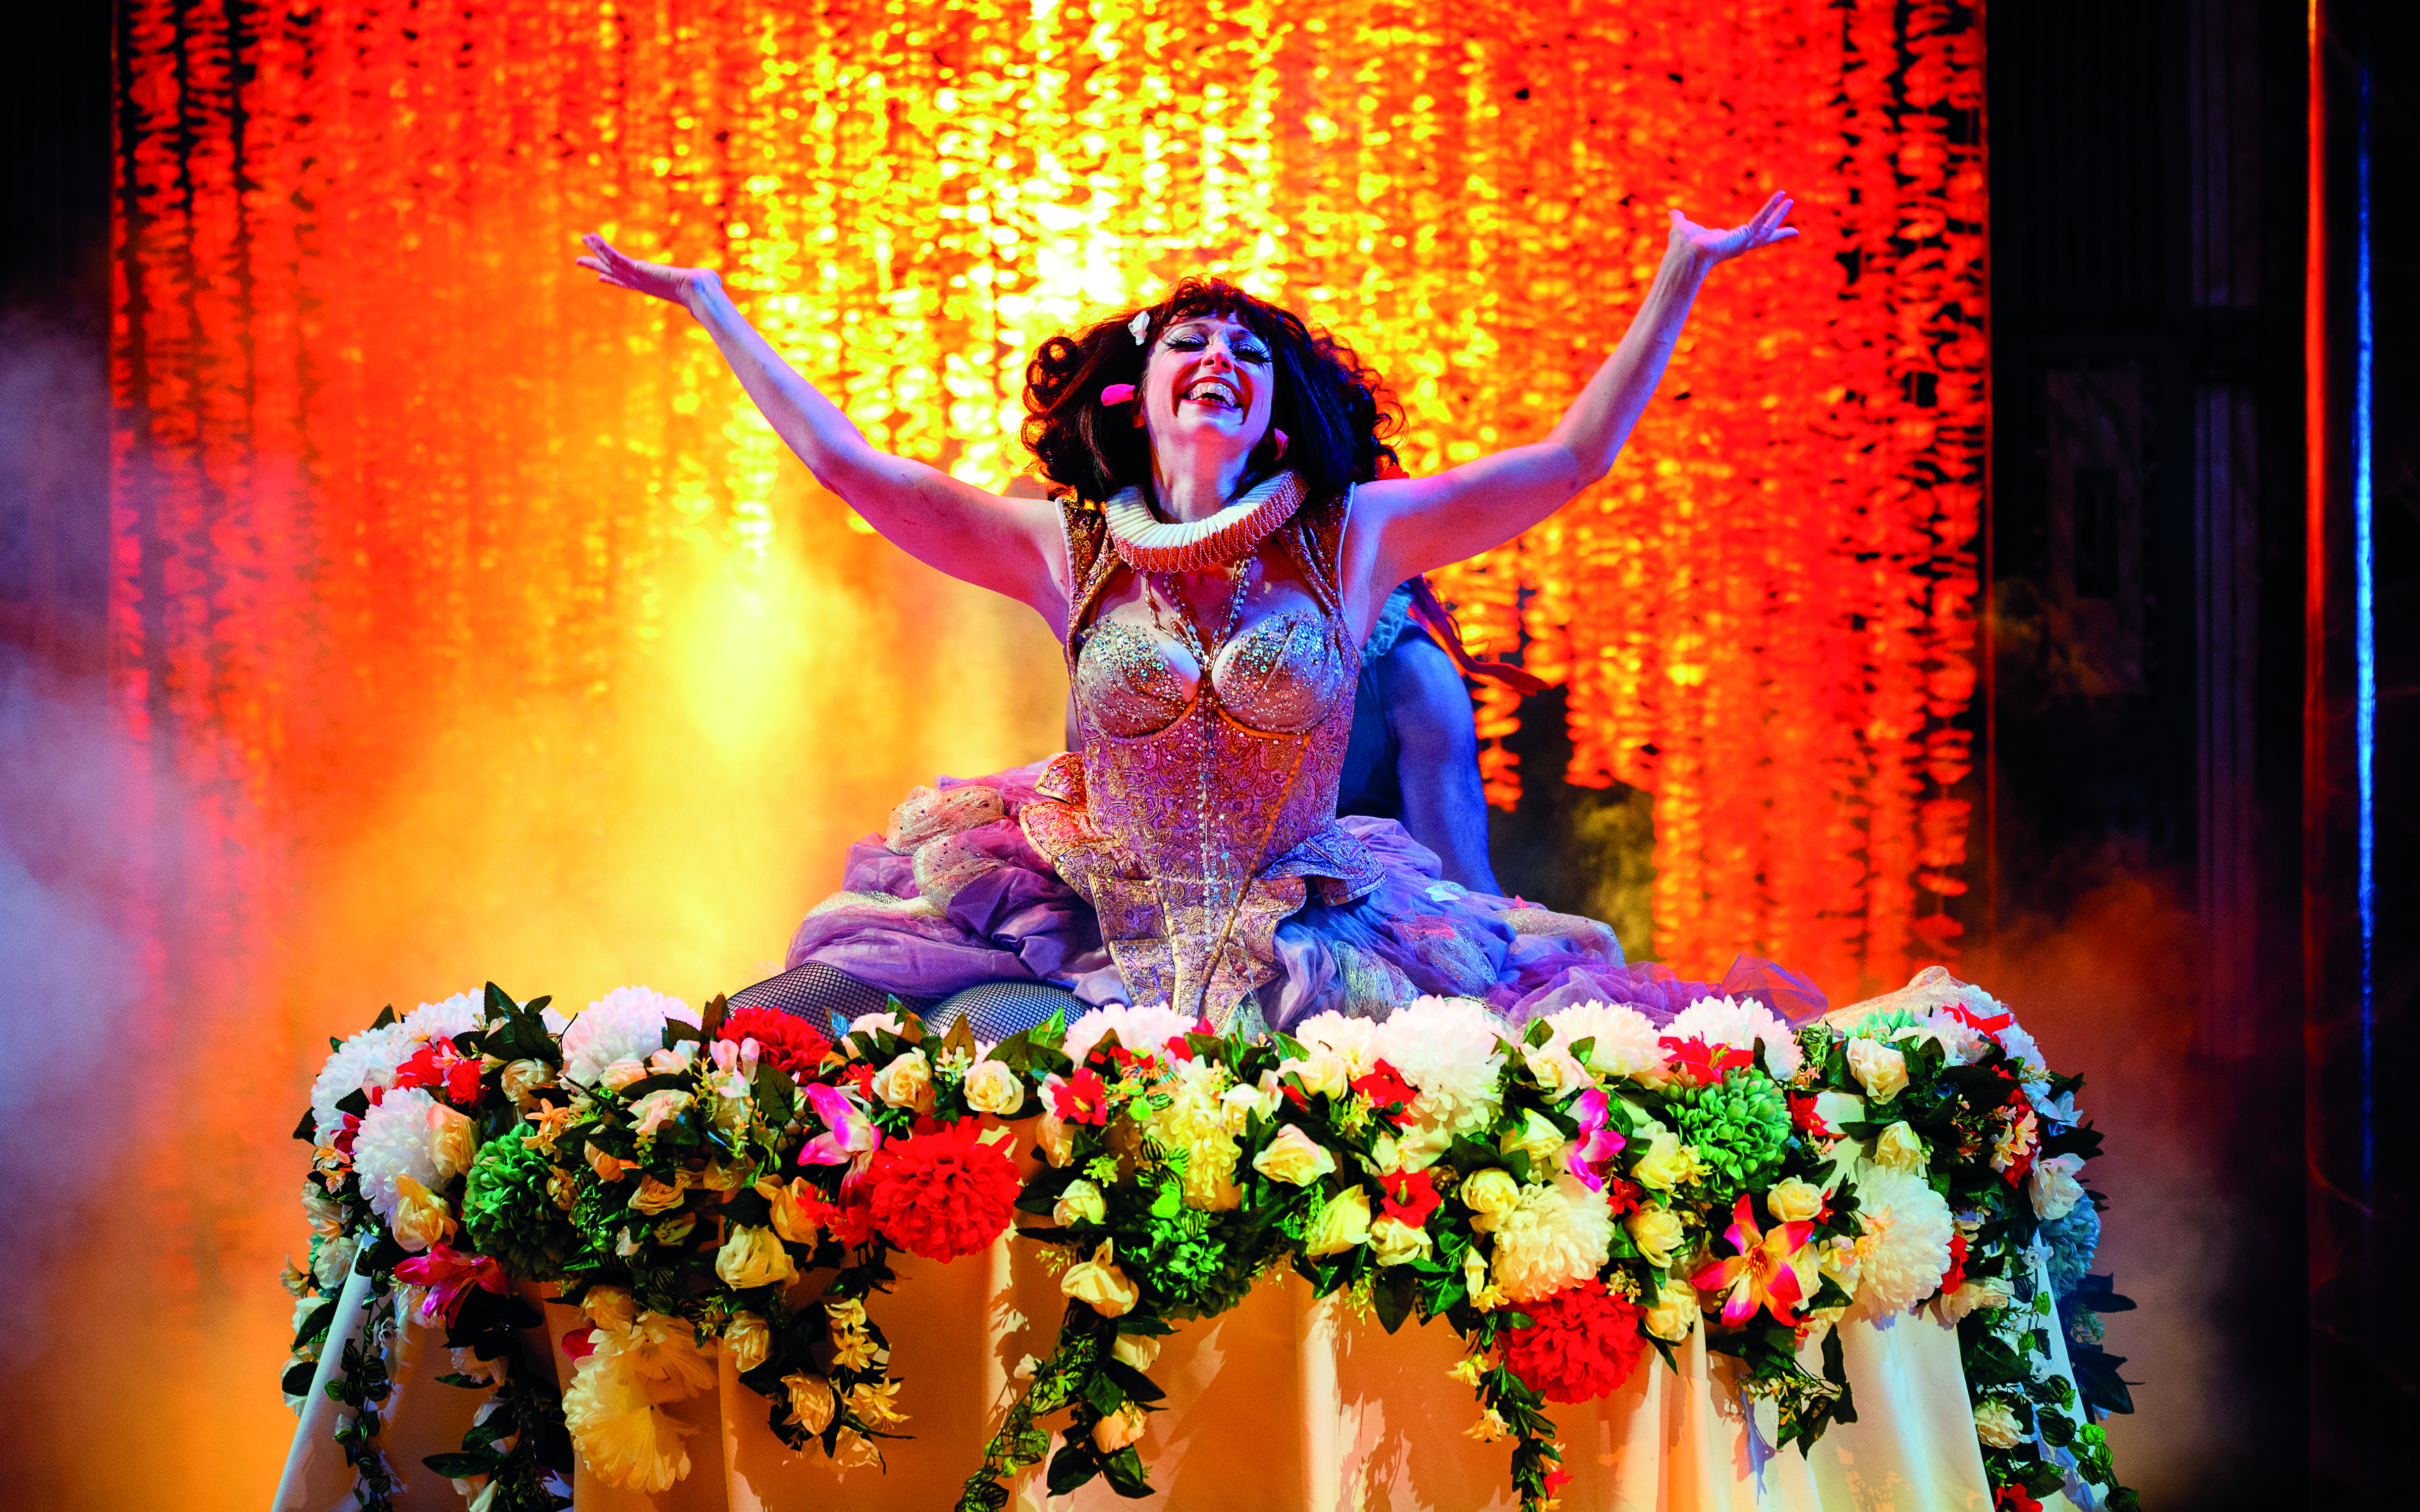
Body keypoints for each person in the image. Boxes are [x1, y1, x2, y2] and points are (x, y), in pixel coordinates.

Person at [577, 192, 1803, 1035]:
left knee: (1457, 1096)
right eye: (1189, 342)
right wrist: (710, 306)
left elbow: (1573, 459)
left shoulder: (1351, 536)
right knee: (808, 1017)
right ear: (1142, 390)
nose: (1219, 355)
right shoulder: (1073, 543)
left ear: (1274, 414)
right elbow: (855, 470)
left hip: (1308, 950)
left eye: (1250, 352)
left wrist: (1683, 270)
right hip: (1086, 927)